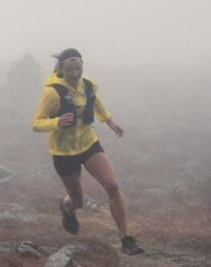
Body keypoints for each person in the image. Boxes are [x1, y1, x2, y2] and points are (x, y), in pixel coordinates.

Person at [31, 48, 144, 256]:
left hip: (89, 144)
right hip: (64, 152)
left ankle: (126, 239)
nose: (75, 73)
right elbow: (36, 123)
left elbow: (95, 102)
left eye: (78, 68)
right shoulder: (52, 93)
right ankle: (67, 206)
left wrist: (110, 122)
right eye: (70, 70)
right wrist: (57, 122)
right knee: (77, 201)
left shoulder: (89, 86)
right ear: (61, 69)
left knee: (112, 186)